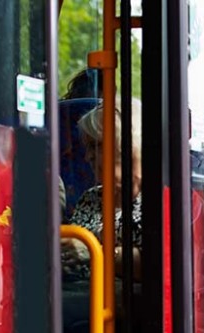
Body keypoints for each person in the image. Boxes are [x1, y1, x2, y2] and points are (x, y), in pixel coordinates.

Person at [61, 96, 143, 283]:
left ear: (128, 145)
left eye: (96, 145)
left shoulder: (160, 198)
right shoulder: (91, 197)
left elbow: (158, 262)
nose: (88, 157)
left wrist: (94, 252)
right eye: (87, 148)